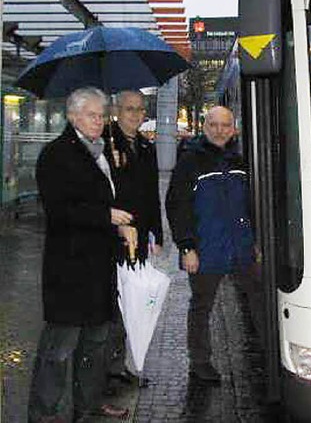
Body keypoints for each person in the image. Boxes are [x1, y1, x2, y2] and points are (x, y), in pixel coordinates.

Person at [28, 87, 136, 422]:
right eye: (92, 115)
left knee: (95, 347)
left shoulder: (101, 152)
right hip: (69, 271)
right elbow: (60, 211)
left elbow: (107, 200)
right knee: (58, 351)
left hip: (99, 269)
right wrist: (107, 217)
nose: (99, 121)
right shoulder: (57, 154)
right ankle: (43, 415)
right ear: (73, 116)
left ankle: (86, 408)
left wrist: (119, 225)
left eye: (102, 115)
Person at [165, 106, 257, 383]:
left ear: (233, 129)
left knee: (258, 298)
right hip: (206, 250)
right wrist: (186, 247)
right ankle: (200, 362)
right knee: (202, 306)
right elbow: (176, 205)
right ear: (205, 127)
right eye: (214, 125)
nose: (220, 130)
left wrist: (257, 241)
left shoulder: (242, 160)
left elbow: (252, 204)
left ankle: (263, 351)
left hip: (242, 247)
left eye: (225, 125)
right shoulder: (190, 161)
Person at [103, 90, 163, 389]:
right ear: (116, 110)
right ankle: (108, 370)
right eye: (129, 109)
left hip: (138, 238)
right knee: (114, 304)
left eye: (140, 109)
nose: (136, 115)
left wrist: (158, 233)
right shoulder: (104, 142)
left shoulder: (145, 145)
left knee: (132, 302)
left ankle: (120, 363)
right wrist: (111, 162)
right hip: (112, 237)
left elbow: (152, 194)